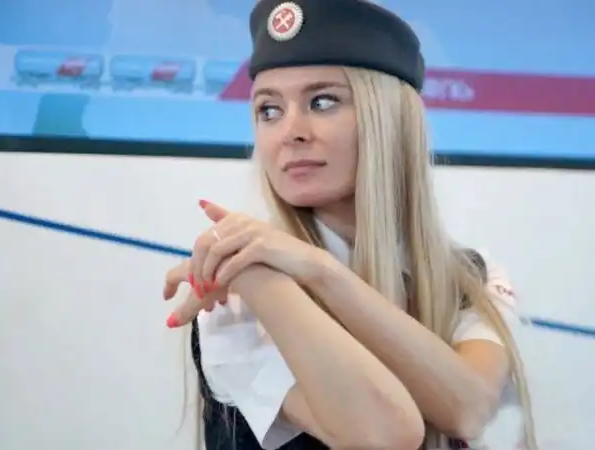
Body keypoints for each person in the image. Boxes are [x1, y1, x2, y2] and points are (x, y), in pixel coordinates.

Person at [162, 0, 537, 448]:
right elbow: (384, 435)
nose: (291, 132)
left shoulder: (473, 276)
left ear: (390, 122)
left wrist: (321, 271)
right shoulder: (240, 295)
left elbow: (468, 409)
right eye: (269, 110)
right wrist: (262, 277)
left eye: (322, 102)